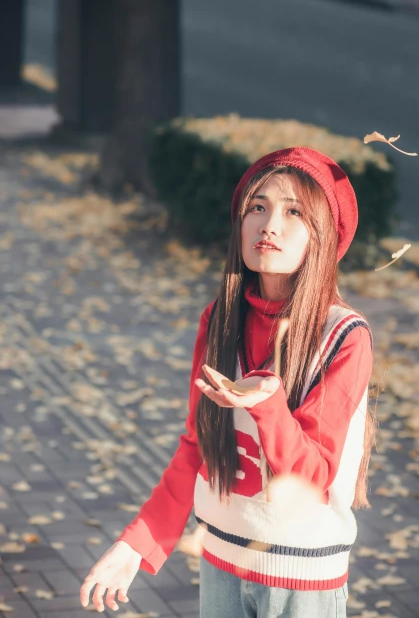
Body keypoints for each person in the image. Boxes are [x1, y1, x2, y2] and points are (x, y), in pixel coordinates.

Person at [79, 147, 376, 617]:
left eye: (293, 211)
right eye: (257, 207)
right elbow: (197, 446)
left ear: (323, 236)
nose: (269, 224)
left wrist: (268, 405)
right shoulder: (219, 319)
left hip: (300, 578)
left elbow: (312, 479)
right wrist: (135, 545)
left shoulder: (343, 337)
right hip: (221, 560)